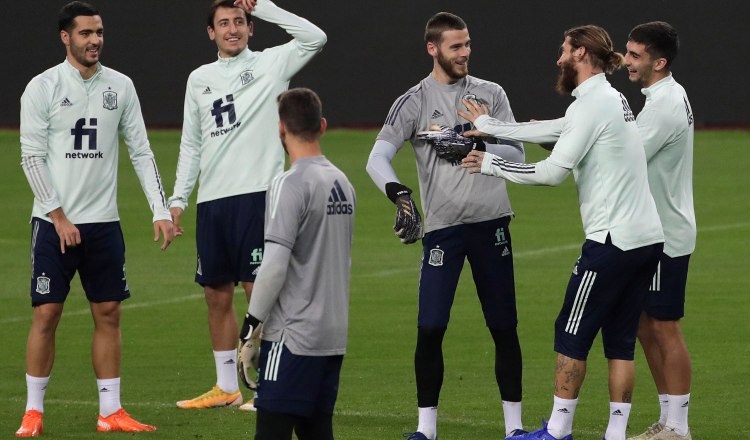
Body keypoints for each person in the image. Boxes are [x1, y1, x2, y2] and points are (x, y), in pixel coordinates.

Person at [459, 25, 665, 440]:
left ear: (582, 54)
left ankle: (556, 431)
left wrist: (490, 164)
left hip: (611, 241)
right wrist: (492, 126)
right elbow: (557, 128)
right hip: (646, 240)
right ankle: (616, 434)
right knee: (621, 341)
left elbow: (552, 172)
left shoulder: (592, 104)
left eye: (564, 51)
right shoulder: (609, 98)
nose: (558, 59)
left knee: (570, 332)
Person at [366, 12, 527, 440]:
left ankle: (514, 429)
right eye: (456, 46)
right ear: (433, 49)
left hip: (491, 224)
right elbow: (376, 158)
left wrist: (482, 134)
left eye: (468, 44)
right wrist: (399, 194)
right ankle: (427, 430)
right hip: (443, 230)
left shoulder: (490, 93)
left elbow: (519, 150)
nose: (466, 53)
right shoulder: (414, 100)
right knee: (431, 326)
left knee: (503, 326)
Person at [15, 1, 174, 436]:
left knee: (108, 312)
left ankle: (110, 411)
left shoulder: (120, 86)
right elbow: (30, 158)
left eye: (99, 32)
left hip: (104, 223)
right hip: (52, 224)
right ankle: (33, 411)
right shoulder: (42, 87)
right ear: (65, 37)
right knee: (47, 313)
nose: (95, 40)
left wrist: (159, 209)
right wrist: (58, 215)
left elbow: (141, 151)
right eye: (85, 33)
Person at [169, 0, 326, 411]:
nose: (232, 29)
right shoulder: (198, 79)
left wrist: (268, 5)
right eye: (224, 24)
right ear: (211, 32)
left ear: (250, 28)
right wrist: (178, 200)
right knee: (216, 294)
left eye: (239, 22)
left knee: (262, 292)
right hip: (213, 201)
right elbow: (192, 143)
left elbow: (315, 38)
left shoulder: (273, 64)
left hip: (259, 196)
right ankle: (226, 387)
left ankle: (271, 387)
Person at [236, 87, 355, 440]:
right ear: (322, 125)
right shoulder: (343, 182)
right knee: (317, 432)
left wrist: (251, 328)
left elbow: (274, 264)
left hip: (293, 337)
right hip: (332, 337)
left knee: (270, 433)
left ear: (281, 130)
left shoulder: (289, 184)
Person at [623, 22, 695, 440]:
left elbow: (625, 155)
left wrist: (565, 144)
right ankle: (667, 421)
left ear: (659, 62)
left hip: (667, 235)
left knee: (664, 325)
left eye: (635, 55)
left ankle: (679, 427)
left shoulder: (665, 103)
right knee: (645, 325)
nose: (627, 62)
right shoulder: (663, 96)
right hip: (655, 230)